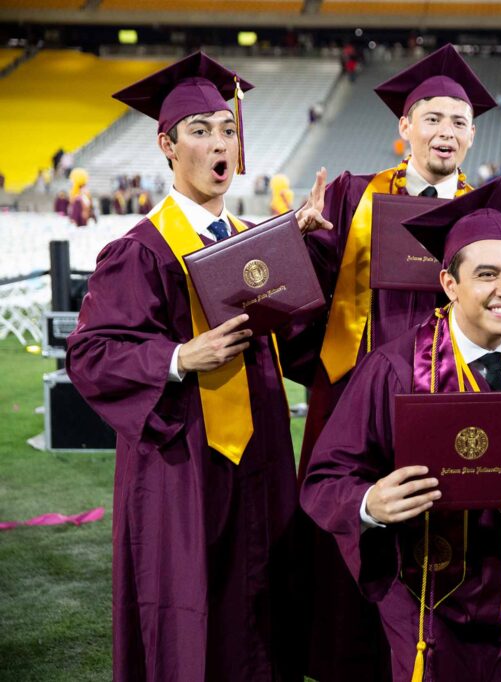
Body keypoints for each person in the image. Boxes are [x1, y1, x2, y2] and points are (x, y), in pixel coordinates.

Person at [66, 52, 325, 681]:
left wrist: (310, 247)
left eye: (227, 129)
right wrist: (180, 356)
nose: (219, 144)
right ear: (167, 144)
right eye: (201, 130)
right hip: (181, 466)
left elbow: (298, 343)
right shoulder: (140, 250)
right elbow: (92, 353)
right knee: (187, 611)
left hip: (260, 459)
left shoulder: (254, 240)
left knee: (260, 610)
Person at [300, 179, 501, 681]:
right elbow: (326, 478)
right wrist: (368, 504)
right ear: (449, 284)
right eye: (487, 275)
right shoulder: (396, 368)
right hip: (431, 606)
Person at [286, 43, 498, 681]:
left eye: (459, 121)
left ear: (470, 136)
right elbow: (305, 300)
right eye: (432, 118)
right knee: (350, 529)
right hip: (355, 400)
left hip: (447, 400)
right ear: (404, 127)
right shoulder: (355, 195)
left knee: (443, 539)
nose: (446, 132)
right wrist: (300, 242)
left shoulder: (485, 212)